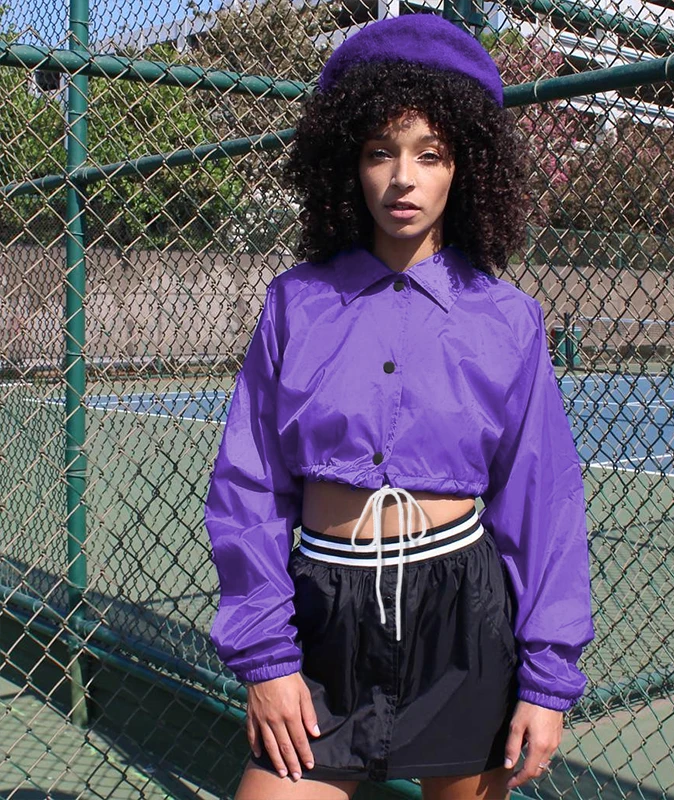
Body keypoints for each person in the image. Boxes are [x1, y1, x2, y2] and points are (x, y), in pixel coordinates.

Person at [205, 13, 594, 800]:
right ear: (347, 162)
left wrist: (548, 682)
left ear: (466, 168)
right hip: (324, 620)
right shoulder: (296, 303)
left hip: (462, 624)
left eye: (431, 154)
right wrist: (266, 659)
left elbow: (543, 503)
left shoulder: (508, 319)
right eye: (381, 151)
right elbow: (248, 487)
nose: (403, 179)